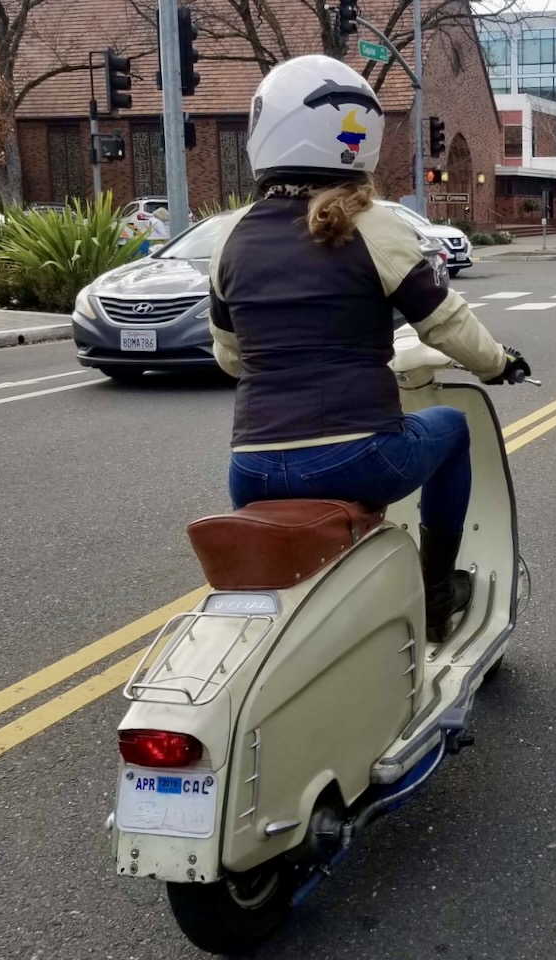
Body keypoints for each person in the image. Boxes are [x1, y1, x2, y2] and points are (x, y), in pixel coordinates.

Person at [207, 55, 530, 643]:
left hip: (250, 469)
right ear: (362, 137)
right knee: (452, 431)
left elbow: (230, 357)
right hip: (356, 457)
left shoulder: (230, 235)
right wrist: (499, 363)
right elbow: (445, 324)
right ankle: (435, 601)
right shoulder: (375, 224)